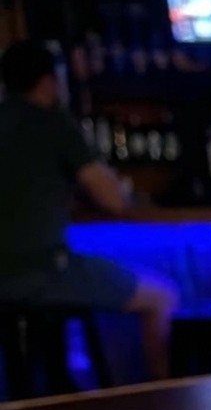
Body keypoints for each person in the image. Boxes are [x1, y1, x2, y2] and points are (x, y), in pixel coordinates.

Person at [0, 40, 178, 379]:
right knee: (163, 296)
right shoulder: (51, 122)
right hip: (42, 272)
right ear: (49, 81)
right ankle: (163, 405)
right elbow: (113, 200)